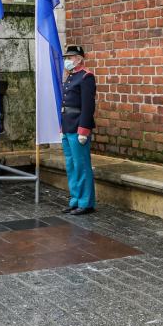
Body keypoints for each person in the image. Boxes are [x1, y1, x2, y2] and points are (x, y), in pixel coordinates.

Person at [60, 45, 97, 216]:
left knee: (81, 165)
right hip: (68, 125)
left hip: (78, 127)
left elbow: (88, 107)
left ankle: (86, 202)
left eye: (69, 57)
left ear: (79, 59)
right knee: (71, 166)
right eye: (65, 58)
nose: (66, 61)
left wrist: (84, 130)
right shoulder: (70, 77)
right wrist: (62, 127)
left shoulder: (86, 77)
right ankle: (75, 200)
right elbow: (65, 105)